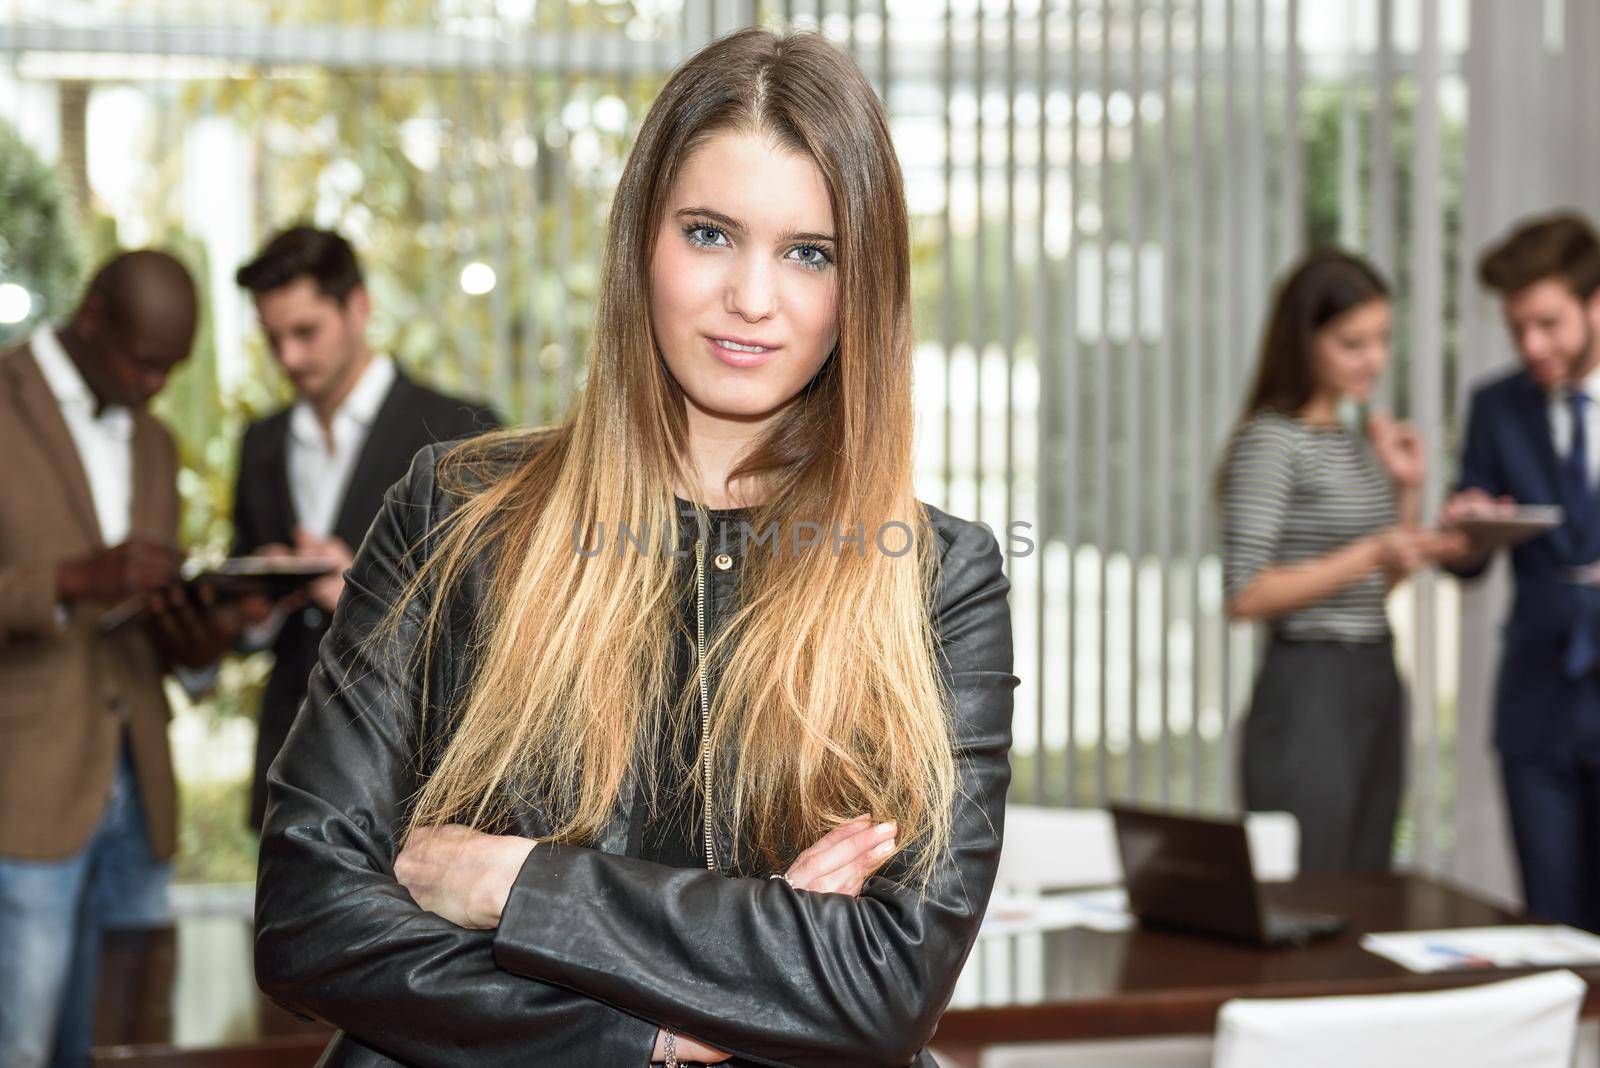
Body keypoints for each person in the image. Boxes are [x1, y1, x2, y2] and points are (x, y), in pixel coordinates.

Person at [253, 28, 1018, 1067]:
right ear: (640, 243)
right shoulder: (459, 511)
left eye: (809, 252)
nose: (752, 297)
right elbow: (309, 915)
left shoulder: (936, 578)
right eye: (709, 234)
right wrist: (655, 1022)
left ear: (860, 287)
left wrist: (514, 885)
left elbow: (884, 987)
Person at [0, 251, 243, 1068]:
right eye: (145, 364)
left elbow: (149, 629)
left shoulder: (156, 444)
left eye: (171, 370)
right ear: (93, 316)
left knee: (125, 1044)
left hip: (140, 797)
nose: (154, 388)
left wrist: (202, 637)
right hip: (23, 798)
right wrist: (72, 580)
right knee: (23, 1047)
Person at [230, 225, 501, 832]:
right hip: (289, 766)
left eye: (305, 333)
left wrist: (363, 589)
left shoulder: (460, 428)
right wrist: (256, 601)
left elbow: (490, 617)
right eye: (273, 339)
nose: (289, 359)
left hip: (415, 775)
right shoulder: (262, 444)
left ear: (359, 306)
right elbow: (246, 617)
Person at [1219, 250, 1455, 874]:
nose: (1374, 358)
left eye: (1382, 339)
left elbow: (1378, 584)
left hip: (1375, 674)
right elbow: (1244, 595)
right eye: (1353, 343)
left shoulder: (1352, 443)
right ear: (1305, 343)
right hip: (1308, 687)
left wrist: (1407, 487)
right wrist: (1369, 551)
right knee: (1313, 881)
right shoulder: (1271, 440)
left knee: (1368, 880)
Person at [1440, 212, 1600, 933]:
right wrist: (1469, 526)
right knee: (1551, 934)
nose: (1533, 346)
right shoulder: (1495, 406)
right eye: (1517, 328)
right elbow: (1469, 567)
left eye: (1549, 323)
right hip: (1537, 704)